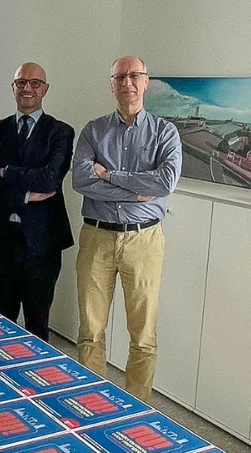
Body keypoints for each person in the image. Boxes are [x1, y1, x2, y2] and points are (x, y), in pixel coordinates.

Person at [72, 55, 182, 401]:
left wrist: (112, 175)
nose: (127, 83)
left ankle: (137, 410)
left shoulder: (166, 132)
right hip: (97, 237)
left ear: (146, 82)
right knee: (90, 330)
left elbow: (164, 182)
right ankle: (92, 405)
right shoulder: (93, 130)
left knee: (143, 334)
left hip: (144, 239)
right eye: (120, 77)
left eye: (134, 76)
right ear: (112, 84)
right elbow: (80, 180)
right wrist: (137, 189)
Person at [0, 62, 74, 342]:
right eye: (21, 82)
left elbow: (50, 179)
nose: (27, 88)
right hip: (1, 238)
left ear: (45, 89)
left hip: (42, 242)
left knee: (37, 323)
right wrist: (26, 195)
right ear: (13, 87)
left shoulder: (61, 132)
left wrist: (7, 172)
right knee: (0, 321)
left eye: (34, 83)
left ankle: (36, 383)